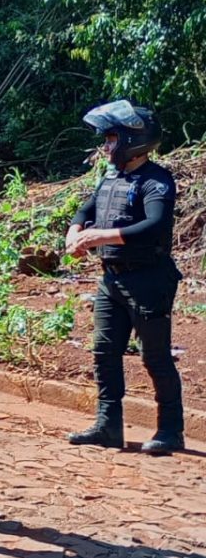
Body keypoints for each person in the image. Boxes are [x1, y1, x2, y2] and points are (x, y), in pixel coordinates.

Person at [64, 100, 184, 454]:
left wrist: (101, 236)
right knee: (103, 351)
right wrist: (75, 231)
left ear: (134, 140)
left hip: (149, 280)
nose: (106, 147)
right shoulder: (112, 177)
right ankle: (108, 425)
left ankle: (171, 431)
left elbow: (154, 225)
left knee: (155, 356)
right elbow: (87, 208)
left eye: (112, 139)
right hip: (111, 279)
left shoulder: (157, 181)